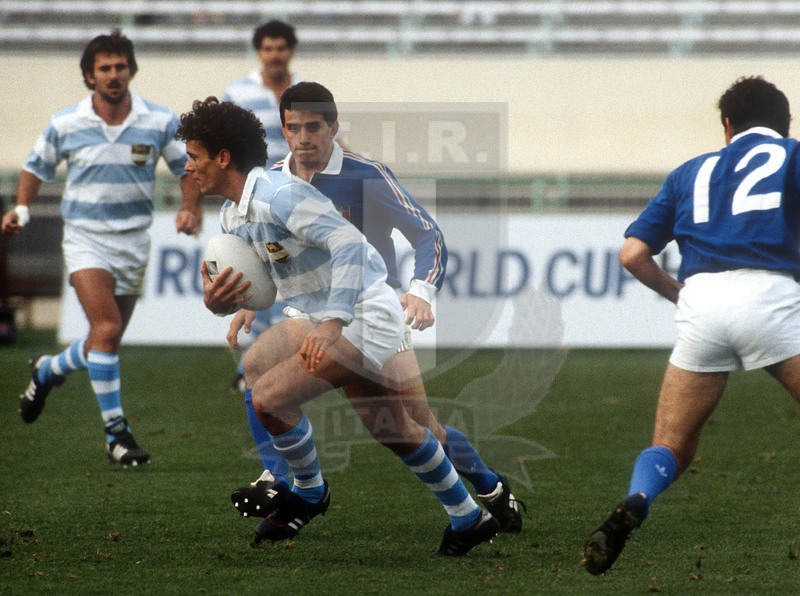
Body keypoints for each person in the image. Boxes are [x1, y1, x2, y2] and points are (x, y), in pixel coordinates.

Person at [178, 96, 499, 554]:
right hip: (323, 315)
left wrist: (333, 323)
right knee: (394, 430)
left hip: (364, 312)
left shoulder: (279, 195)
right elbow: (264, 281)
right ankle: (469, 518)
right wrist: (221, 303)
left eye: (194, 157)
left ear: (222, 158)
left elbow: (349, 245)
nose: (190, 168)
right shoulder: (235, 214)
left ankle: (307, 493)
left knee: (270, 395)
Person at [582, 76, 800, 575]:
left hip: (702, 304)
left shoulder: (690, 172)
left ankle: (636, 499)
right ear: (785, 125)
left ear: (728, 125)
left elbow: (633, 254)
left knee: (671, 445)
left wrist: (681, 295)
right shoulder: (793, 156)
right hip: (772, 298)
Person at [1, 30, 202, 466]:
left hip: (134, 240)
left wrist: (191, 209)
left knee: (103, 338)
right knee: (107, 330)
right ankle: (118, 437)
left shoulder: (158, 120)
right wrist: (21, 207)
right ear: (89, 77)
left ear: (131, 70)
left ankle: (47, 370)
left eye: (120, 66)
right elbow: (36, 166)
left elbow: (187, 168)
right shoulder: (66, 122)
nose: (114, 74)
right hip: (85, 238)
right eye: (104, 68)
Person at [221, 19, 301, 393]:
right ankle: (249, 366)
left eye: (281, 48)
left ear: (291, 51)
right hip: (251, 203)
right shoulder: (238, 92)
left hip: (293, 201)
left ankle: (274, 362)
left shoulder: (303, 92)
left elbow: (324, 137)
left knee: (287, 281)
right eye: (268, 48)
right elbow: (218, 145)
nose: (275, 55)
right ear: (259, 52)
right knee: (254, 281)